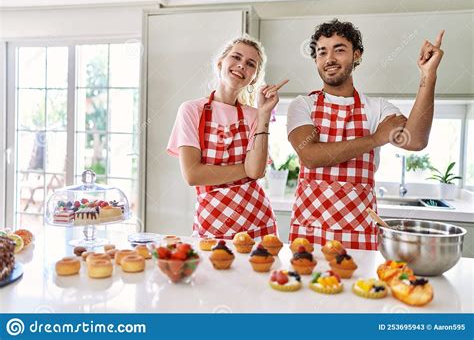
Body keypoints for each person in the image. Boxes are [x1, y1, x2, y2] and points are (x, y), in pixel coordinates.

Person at [287, 19, 444, 250]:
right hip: (309, 232)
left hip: (358, 233)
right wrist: (375, 139)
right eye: (322, 52)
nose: (329, 59)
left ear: (357, 55)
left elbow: (417, 140)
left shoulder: (377, 108)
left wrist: (428, 75)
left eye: (339, 50)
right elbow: (310, 156)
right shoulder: (302, 105)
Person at [167, 36, 288, 239]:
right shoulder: (191, 110)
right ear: (220, 62)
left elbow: (256, 171)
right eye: (236, 57)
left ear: (254, 78)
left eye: (251, 64)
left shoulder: (254, 115)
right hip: (212, 224)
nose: (242, 65)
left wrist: (264, 113)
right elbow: (192, 175)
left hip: (258, 222)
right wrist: (246, 170)